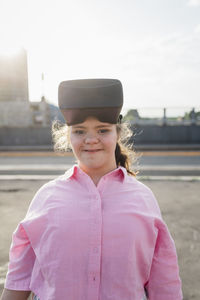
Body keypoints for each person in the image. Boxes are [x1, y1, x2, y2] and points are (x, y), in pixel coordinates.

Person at [1, 79, 183, 300]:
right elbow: (18, 279)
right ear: (68, 136)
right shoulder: (46, 198)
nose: (90, 139)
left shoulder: (143, 199)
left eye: (102, 130)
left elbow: (165, 285)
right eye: (79, 131)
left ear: (118, 133)